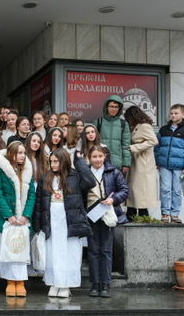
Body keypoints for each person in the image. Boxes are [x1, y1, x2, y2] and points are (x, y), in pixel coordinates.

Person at [33, 148, 95, 298]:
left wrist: (79, 161)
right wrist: (38, 225)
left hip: (70, 219)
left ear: (64, 161)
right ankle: (54, 282)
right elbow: (39, 203)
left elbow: (90, 182)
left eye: (56, 161)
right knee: (53, 251)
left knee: (69, 251)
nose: (53, 164)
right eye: (51, 161)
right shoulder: (45, 177)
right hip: (51, 219)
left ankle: (66, 284)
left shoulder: (75, 176)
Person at [85, 145, 129, 298]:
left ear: (104, 157)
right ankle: (95, 283)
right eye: (94, 157)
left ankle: (106, 284)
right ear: (89, 158)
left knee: (106, 250)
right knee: (93, 250)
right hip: (91, 214)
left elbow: (124, 190)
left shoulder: (113, 171)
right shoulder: (85, 173)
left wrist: (113, 199)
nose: (97, 159)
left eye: (100, 156)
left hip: (107, 214)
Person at [0, 142, 36, 297]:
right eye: (19, 153)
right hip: (7, 218)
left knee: (21, 249)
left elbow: (31, 194)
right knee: (8, 249)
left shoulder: (28, 170)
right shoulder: (0, 170)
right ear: (11, 154)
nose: (22, 156)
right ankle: (10, 281)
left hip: (22, 219)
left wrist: (25, 215)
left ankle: (21, 281)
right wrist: (9, 215)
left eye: (24, 153)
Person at [155, 104, 184, 223]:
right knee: (165, 189)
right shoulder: (163, 129)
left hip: (179, 167)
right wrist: (158, 161)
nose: (173, 115)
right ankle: (165, 213)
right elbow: (157, 146)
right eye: (172, 113)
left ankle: (175, 214)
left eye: (176, 113)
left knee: (177, 190)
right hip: (165, 166)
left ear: (183, 114)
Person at [124, 105, 159, 219]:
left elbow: (154, 141)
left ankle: (141, 215)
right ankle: (132, 213)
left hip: (143, 161)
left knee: (140, 190)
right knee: (134, 188)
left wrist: (135, 147)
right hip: (136, 161)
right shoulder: (135, 127)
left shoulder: (144, 126)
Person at [96, 95, 131, 172]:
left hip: (117, 163)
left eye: (116, 107)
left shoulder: (123, 124)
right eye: (111, 106)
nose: (113, 109)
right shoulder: (98, 122)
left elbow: (126, 145)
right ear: (106, 107)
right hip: (100, 162)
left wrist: (126, 163)